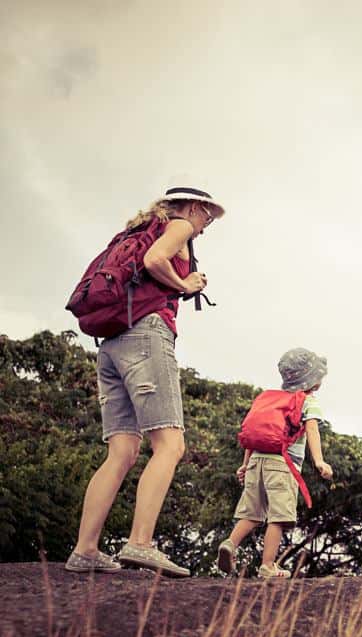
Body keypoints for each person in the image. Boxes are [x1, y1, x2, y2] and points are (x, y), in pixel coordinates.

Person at [66, 181, 223, 577]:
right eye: (207, 215)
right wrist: (186, 283)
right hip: (145, 335)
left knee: (121, 452)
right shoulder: (178, 227)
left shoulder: (135, 231)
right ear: (190, 207)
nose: (206, 225)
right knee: (170, 444)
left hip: (112, 342)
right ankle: (140, 543)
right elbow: (155, 261)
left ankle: (85, 549)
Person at [217, 348, 334, 578]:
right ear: (314, 380)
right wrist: (319, 461)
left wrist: (245, 464)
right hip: (282, 465)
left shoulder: (269, 399)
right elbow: (312, 429)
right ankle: (268, 565)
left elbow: (254, 434)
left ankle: (230, 544)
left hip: (256, 461)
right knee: (279, 516)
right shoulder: (307, 401)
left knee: (251, 513)